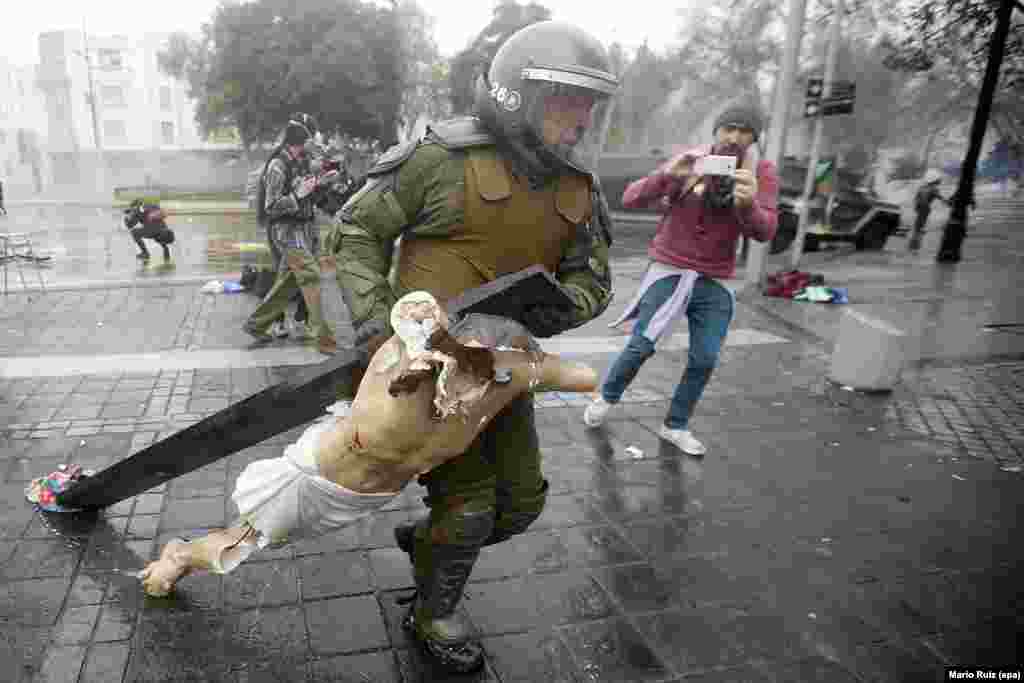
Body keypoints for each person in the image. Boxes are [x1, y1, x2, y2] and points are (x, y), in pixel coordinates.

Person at [323, 20, 618, 673]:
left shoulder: (577, 187)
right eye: (568, 103)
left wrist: (565, 303)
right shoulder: (440, 160)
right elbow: (357, 234)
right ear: (521, 96)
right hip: (430, 370)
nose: (581, 121)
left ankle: (429, 544)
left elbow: (592, 279)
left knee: (521, 503)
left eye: (589, 107)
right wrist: (379, 326)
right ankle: (432, 612)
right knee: (472, 501)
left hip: (504, 369)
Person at [138, 292, 598, 599]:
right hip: (315, 483)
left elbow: (583, 376)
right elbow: (411, 308)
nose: (468, 388)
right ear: (445, 351)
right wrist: (432, 334)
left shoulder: (503, 375)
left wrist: (532, 364)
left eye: (484, 373)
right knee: (242, 546)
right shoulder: (404, 366)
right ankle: (180, 554)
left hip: (366, 499)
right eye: (462, 365)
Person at [582, 102, 779, 455]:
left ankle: (675, 425)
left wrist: (748, 204)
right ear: (716, 131)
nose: (734, 137)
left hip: (715, 278)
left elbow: (765, 233)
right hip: (671, 268)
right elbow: (631, 197)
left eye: (744, 130)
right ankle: (606, 397)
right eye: (728, 128)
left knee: (705, 358)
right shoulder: (691, 159)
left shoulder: (761, 172)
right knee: (641, 346)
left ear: (754, 137)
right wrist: (669, 174)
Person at [243, 115, 337, 355]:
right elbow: (271, 206)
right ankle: (323, 337)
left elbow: (309, 197)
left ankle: (256, 325)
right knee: (310, 274)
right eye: (311, 139)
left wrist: (321, 184)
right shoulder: (278, 166)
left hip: (305, 228)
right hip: (286, 231)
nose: (314, 144)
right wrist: (297, 196)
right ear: (300, 139)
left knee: (289, 281)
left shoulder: (302, 161)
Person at [909, 170, 949, 252]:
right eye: (939, 179)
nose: (940, 181)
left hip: (919, 207)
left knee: (917, 227)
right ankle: (915, 246)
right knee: (920, 228)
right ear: (935, 180)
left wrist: (916, 208)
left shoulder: (922, 187)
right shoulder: (934, 189)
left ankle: (913, 245)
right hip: (925, 208)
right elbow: (941, 198)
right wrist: (948, 203)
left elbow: (916, 199)